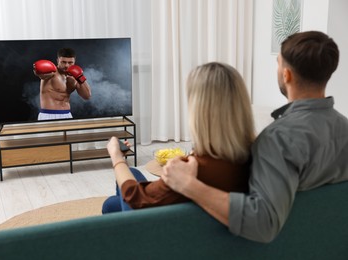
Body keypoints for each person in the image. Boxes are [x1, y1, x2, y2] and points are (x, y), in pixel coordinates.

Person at [161, 31, 348, 243]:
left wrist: (189, 185)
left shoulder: (278, 139)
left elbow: (263, 223)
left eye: (278, 63)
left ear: (286, 74)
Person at [102, 62, 255, 213]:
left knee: (110, 205)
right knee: (130, 176)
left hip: (157, 226)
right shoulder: (255, 155)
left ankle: (124, 230)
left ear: (200, 110)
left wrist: (116, 157)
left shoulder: (191, 171)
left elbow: (135, 198)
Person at [33, 48, 92, 120]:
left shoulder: (75, 76)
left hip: (67, 114)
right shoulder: (51, 72)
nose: (67, 65)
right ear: (58, 60)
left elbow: (87, 96)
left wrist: (80, 77)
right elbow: (41, 74)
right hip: (49, 115)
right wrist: (37, 71)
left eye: (70, 62)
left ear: (74, 61)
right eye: (63, 62)